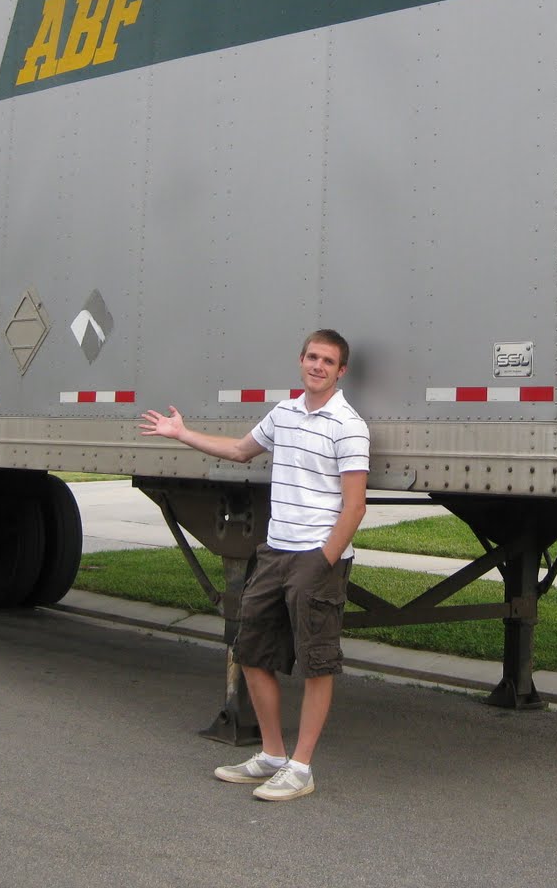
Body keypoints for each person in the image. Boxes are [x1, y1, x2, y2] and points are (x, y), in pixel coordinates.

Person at [139, 329, 368, 802]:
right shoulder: (284, 414)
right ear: (300, 360)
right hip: (274, 553)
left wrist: (324, 560)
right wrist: (182, 434)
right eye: (312, 357)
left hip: (316, 557)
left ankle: (301, 769)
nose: (318, 366)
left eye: (328, 361)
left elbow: (355, 506)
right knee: (249, 652)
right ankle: (273, 755)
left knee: (316, 663)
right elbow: (241, 451)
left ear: (341, 371)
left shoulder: (349, 425)